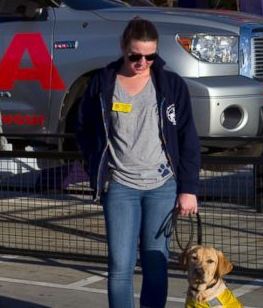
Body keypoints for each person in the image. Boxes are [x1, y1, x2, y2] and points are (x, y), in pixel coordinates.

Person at [77, 17, 201, 308]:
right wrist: (97, 169)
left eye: (150, 56)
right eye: (135, 55)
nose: (142, 62)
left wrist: (188, 188)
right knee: (120, 265)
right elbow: (83, 130)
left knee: (156, 261)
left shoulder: (171, 85)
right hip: (120, 186)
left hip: (162, 186)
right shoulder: (102, 84)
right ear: (123, 48)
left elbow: (188, 138)